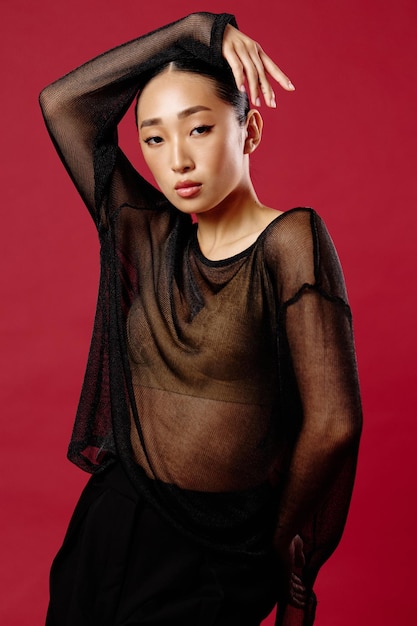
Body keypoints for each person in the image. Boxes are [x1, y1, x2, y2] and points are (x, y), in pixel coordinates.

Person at [39, 11, 362, 626]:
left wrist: (289, 553)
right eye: (154, 138)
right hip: (112, 522)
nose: (177, 160)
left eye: (200, 128)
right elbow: (62, 104)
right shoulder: (147, 232)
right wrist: (194, 29)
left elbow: (335, 424)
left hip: (217, 552)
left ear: (251, 130)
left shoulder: (292, 240)